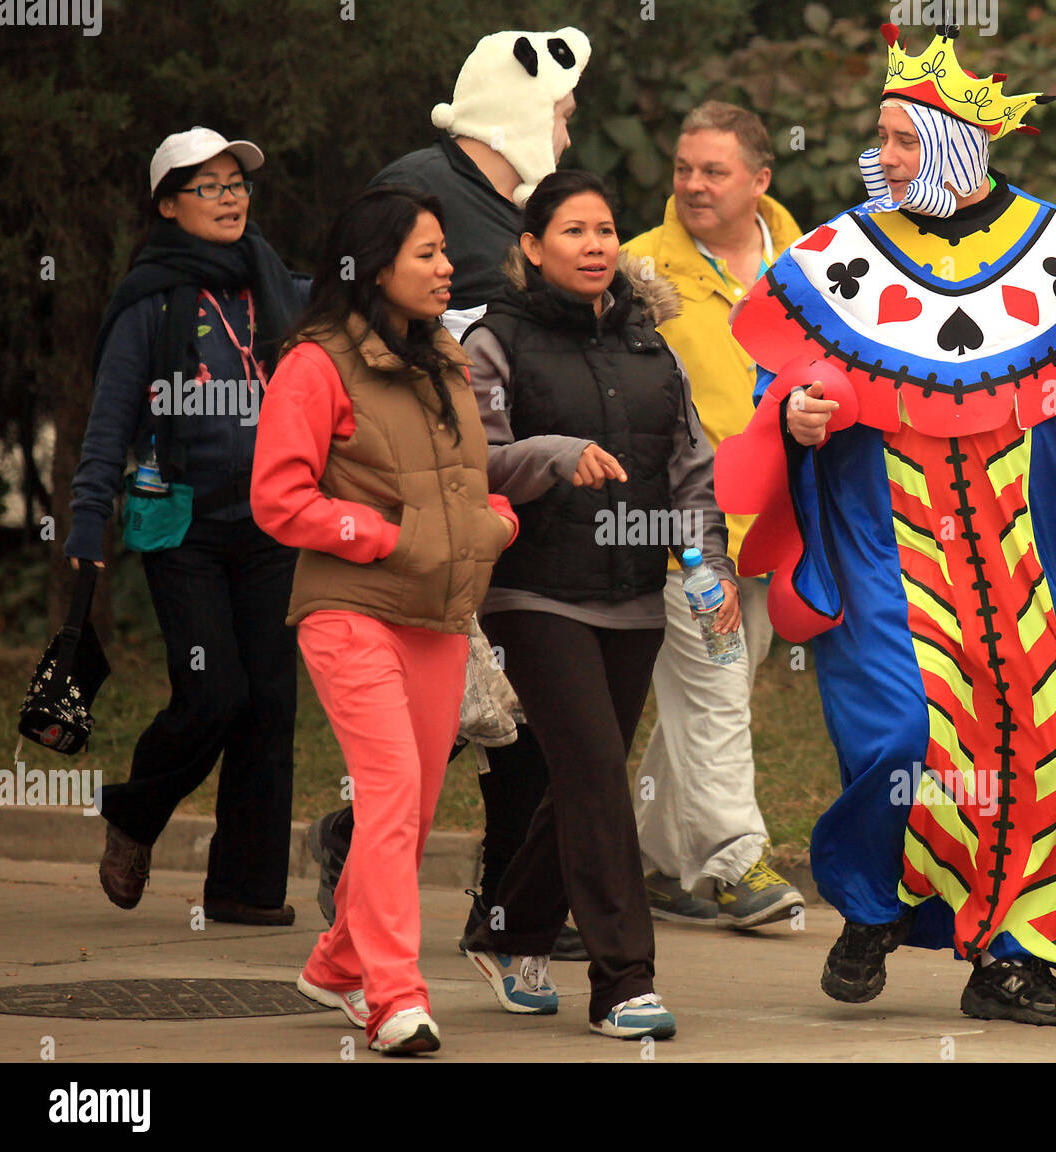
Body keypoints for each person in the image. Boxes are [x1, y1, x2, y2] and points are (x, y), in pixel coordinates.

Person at [715, 24, 1056, 1025]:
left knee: (1038, 743)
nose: (881, 157)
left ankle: (1008, 957)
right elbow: (783, 380)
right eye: (880, 135)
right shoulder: (835, 255)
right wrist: (796, 412)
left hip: (1026, 546)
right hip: (879, 548)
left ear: (952, 147)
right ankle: (877, 894)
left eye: (902, 140)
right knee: (906, 734)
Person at [309, 28, 592, 960]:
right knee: (488, 730)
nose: (571, 124)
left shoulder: (527, 208)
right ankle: (411, 900)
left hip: (508, 511)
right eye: (559, 110)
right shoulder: (418, 199)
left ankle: (502, 913)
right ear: (517, 111)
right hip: (419, 526)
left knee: (512, 725)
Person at [459, 170, 737, 1040]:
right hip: (531, 593)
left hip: (631, 598)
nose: (595, 245)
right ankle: (624, 982)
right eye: (573, 231)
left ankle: (507, 932)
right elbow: (478, 458)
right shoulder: (493, 341)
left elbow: (691, 468)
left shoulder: (653, 347)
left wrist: (708, 565)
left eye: (606, 230)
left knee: (581, 781)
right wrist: (554, 451)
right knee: (594, 778)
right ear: (533, 250)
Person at [251, 185, 518, 1055]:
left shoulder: (445, 357)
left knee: (410, 807)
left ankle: (334, 962)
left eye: (446, 252)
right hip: (349, 607)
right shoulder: (315, 363)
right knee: (393, 792)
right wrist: (379, 537)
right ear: (374, 267)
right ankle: (393, 997)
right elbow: (278, 498)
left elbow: (463, 481)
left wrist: (494, 523)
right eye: (428, 253)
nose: (447, 268)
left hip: (436, 615)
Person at [68, 127, 306, 925]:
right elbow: (110, 422)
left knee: (270, 705)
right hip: (183, 527)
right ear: (168, 206)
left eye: (238, 182)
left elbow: (358, 318)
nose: (231, 196)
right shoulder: (151, 299)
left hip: (274, 522)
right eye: (209, 185)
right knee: (214, 692)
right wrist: (84, 528)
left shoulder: (274, 285)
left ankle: (246, 891)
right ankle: (135, 815)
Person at [623, 102, 806, 929]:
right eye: (684, 169)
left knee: (705, 697)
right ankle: (737, 860)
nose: (693, 185)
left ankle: (657, 863)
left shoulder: (811, 265)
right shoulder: (635, 270)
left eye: (714, 171)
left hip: (777, 525)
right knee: (718, 688)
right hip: (680, 532)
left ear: (760, 180)